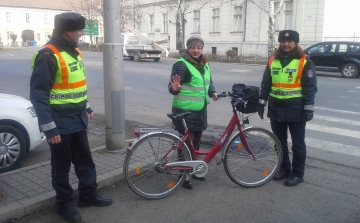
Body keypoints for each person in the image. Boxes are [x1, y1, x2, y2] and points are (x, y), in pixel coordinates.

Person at [30, 12, 112, 223]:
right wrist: (49, 128)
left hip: (77, 118)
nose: (82, 33)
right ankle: (64, 204)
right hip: (59, 123)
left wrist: (87, 106)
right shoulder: (48, 55)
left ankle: (88, 195)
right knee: (61, 166)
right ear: (68, 32)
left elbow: (76, 85)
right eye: (79, 30)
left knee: (85, 160)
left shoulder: (74, 50)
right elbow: (39, 94)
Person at [258, 30, 317, 187]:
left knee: (298, 144)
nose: (286, 44)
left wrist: (308, 108)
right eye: (283, 41)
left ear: (295, 43)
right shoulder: (273, 61)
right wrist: (262, 102)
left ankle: (297, 173)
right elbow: (266, 83)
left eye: (289, 41)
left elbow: (310, 87)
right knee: (279, 142)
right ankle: (283, 168)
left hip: (296, 109)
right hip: (276, 107)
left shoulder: (304, 61)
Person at [168, 35, 220, 189]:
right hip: (184, 111)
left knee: (196, 142)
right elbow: (172, 86)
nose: (196, 50)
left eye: (199, 48)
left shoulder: (204, 63)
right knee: (185, 145)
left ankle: (195, 169)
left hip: (200, 110)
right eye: (193, 47)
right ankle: (184, 176)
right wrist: (174, 88)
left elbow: (208, 82)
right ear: (188, 48)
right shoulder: (181, 65)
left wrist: (213, 92)